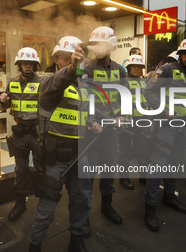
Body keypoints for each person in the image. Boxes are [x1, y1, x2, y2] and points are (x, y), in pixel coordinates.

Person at [29, 36, 99, 252]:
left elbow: (82, 115)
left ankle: (76, 242)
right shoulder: (49, 84)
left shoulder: (85, 87)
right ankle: (34, 247)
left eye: (75, 59)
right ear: (56, 60)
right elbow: (60, 81)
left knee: (82, 200)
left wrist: (93, 122)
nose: (72, 63)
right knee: (47, 208)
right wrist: (72, 68)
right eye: (66, 59)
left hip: (80, 153)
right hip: (55, 157)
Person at [143, 38, 186, 232]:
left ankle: (169, 198)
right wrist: (164, 110)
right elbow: (148, 92)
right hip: (167, 126)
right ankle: (149, 208)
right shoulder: (166, 70)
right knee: (158, 165)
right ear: (180, 54)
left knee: (175, 162)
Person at [83, 26, 127, 224]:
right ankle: (83, 216)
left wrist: (127, 114)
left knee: (110, 167)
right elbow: (84, 101)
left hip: (111, 130)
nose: (97, 48)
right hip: (92, 129)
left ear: (111, 46)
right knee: (89, 173)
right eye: (94, 44)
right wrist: (104, 119)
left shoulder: (120, 69)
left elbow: (125, 96)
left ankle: (107, 205)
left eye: (102, 44)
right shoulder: (87, 68)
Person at [0, 47, 42, 221]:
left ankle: (43, 204)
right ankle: (20, 203)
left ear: (35, 65)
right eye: (25, 63)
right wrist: (3, 100)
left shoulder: (42, 83)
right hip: (20, 134)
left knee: (41, 169)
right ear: (19, 64)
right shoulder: (13, 82)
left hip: (38, 133)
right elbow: (7, 105)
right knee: (21, 170)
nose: (28, 66)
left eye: (31, 63)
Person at [118, 54, 150, 188]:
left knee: (142, 149)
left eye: (139, 67)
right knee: (124, 150)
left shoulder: (143, 81)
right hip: (128, 122)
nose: (137, 69)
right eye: (134, 67)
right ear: (129, 68)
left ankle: (144, 177)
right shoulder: (124, 81)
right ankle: (124, 178)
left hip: (141, 121)